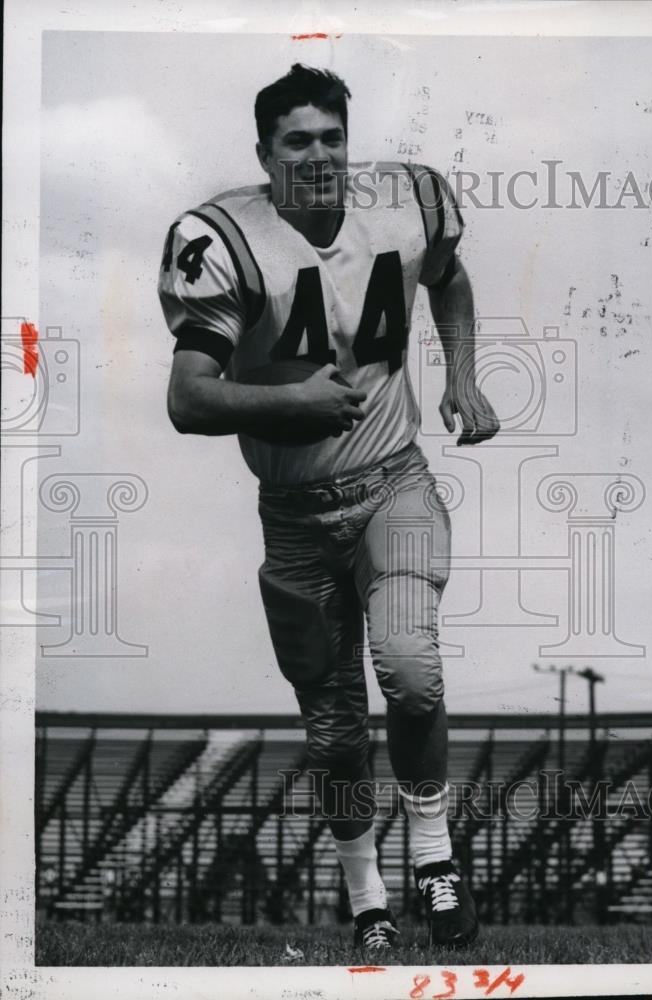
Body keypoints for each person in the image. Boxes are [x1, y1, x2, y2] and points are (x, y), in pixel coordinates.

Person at [158, 63, 499, 952]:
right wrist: (287, 403)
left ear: (351, 140)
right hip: (295, 512)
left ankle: (432, 857)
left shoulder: (405, 201)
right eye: (297, 141)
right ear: (264, 154)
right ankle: (366, 897)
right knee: (336, 726)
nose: (319, 157)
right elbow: (188, 397)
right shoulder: (226, 237)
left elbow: (449, 279)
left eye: (333, 138)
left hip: (396, 480)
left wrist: (462, 376)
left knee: (411, 667)